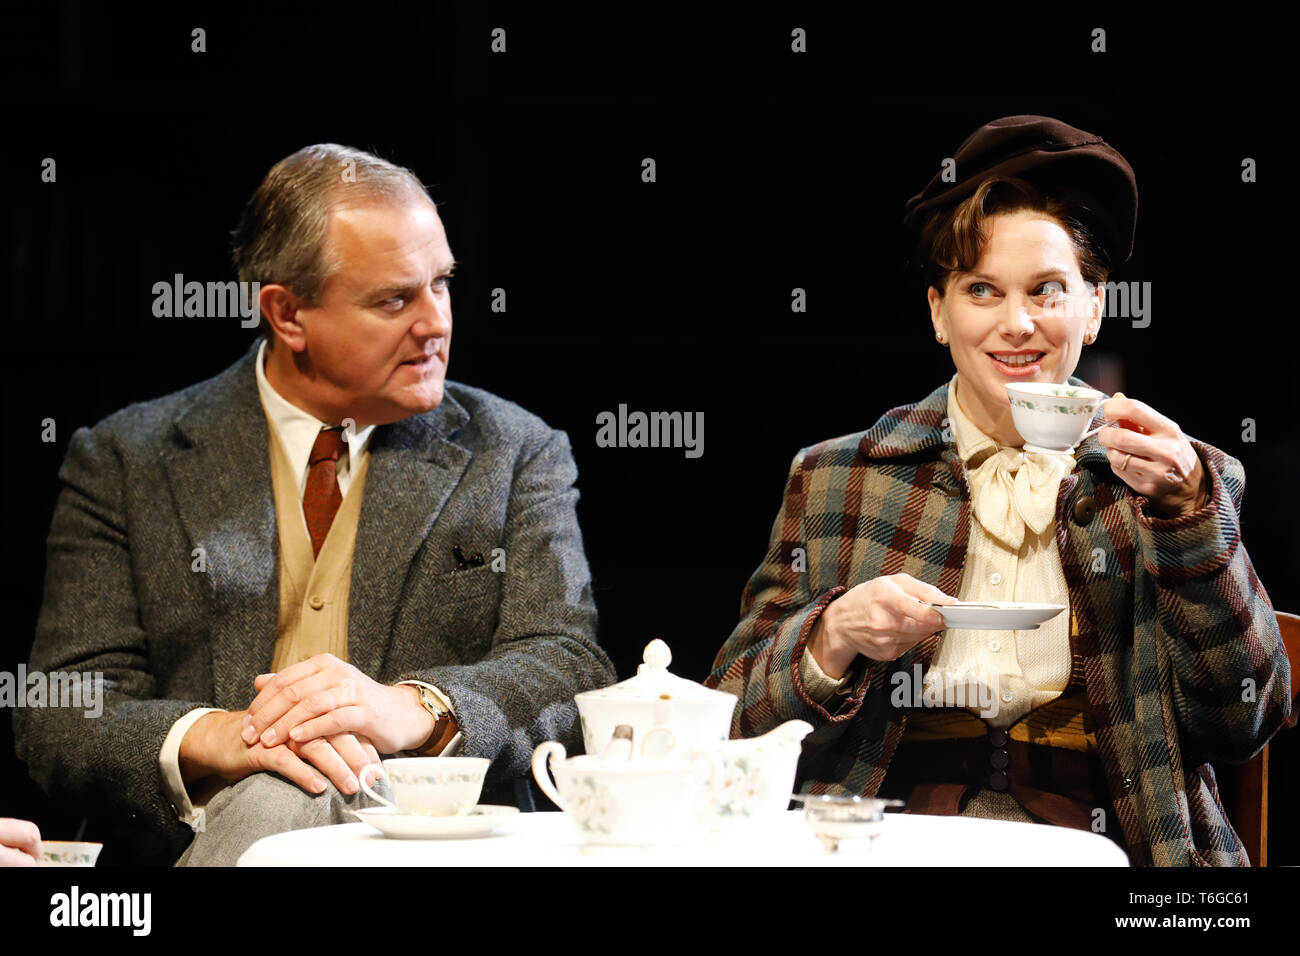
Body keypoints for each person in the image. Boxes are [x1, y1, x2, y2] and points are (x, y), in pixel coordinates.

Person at [706, 116, 1291, 866]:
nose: (1017, 325)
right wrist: (832, 638)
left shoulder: (1174, 479)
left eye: (1048, 291)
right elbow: (728, 727)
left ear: (1094, 308)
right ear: (938, 313)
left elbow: (1244, 721)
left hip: (1114, 841)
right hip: (885, 837)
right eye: (982, 290)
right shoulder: (839, 477)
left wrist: (1185, 517)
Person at [15, 144, 616, 866]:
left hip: (432, 844)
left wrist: (418, 710)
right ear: (287, 313)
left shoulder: (516, 451)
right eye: (395, 299)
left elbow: (569, 664)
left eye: (442, 284)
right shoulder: (126, 457)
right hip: (197, 837)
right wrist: (218, 736)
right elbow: (62, 708)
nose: (437, 323)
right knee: (278, 792)